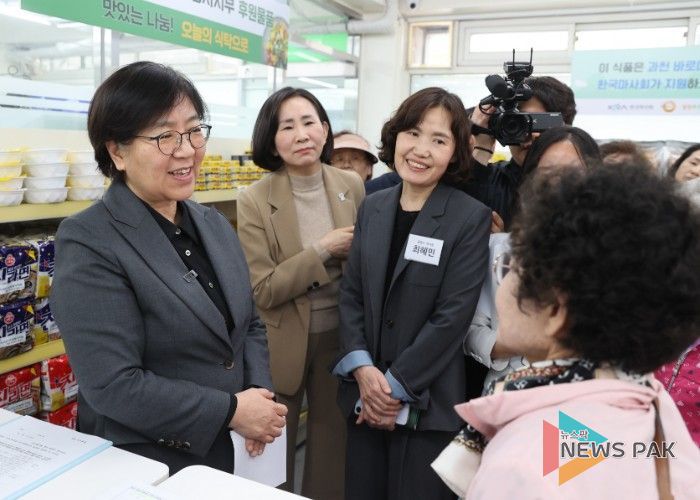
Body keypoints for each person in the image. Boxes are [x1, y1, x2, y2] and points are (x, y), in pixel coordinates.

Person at [51, 61, 287, 475]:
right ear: (117, 152)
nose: (186, 149)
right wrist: (233, 411)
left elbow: (248, 323)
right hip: (147, 459)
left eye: (194, 130)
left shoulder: (213, 223)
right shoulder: (90, 239)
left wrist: (258, 397)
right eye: (164, 136)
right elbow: (113, 384)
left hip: (233, 446)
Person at [434, 164, 700, 499]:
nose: (502, 284)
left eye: (511, 268)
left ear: (556, 310)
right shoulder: (655, 410)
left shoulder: (525, 460)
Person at [333, 87, 491, 500]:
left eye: (439, 140)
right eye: (413, 133)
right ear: (396, 136)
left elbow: (453, 315)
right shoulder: (373, 206)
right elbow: (351, 294)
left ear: (455, 152)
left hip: (427, 403)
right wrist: (362, 370)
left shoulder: (469, 217)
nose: (421, 150)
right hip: (362, 397)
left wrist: (392, 388)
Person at [236, 87, 364, 499]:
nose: (302, 134)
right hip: (280, 343)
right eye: (287, 127)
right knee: (272, 452)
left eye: (309, 122)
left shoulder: (351, 185)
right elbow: (263, 288)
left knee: (332, 449)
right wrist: (323, 250)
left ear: (325, 130)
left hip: (340, 339)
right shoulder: (254, 199)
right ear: (272, 140)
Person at [465, 126, 601, 390]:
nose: (559, 183)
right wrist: (511, 344)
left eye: (574, 172)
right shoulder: (500, 249)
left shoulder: (617, 254)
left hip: (585, 399)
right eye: (547, 172)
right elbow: (468, 329)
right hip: (508, 396)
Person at [468, 76, 577, 230]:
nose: (532, 134)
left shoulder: (584, 185)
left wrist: (505, 241)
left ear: (566, 126)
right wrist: (481, 146)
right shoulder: (487, 180)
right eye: (520, 122)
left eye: (541, 122)